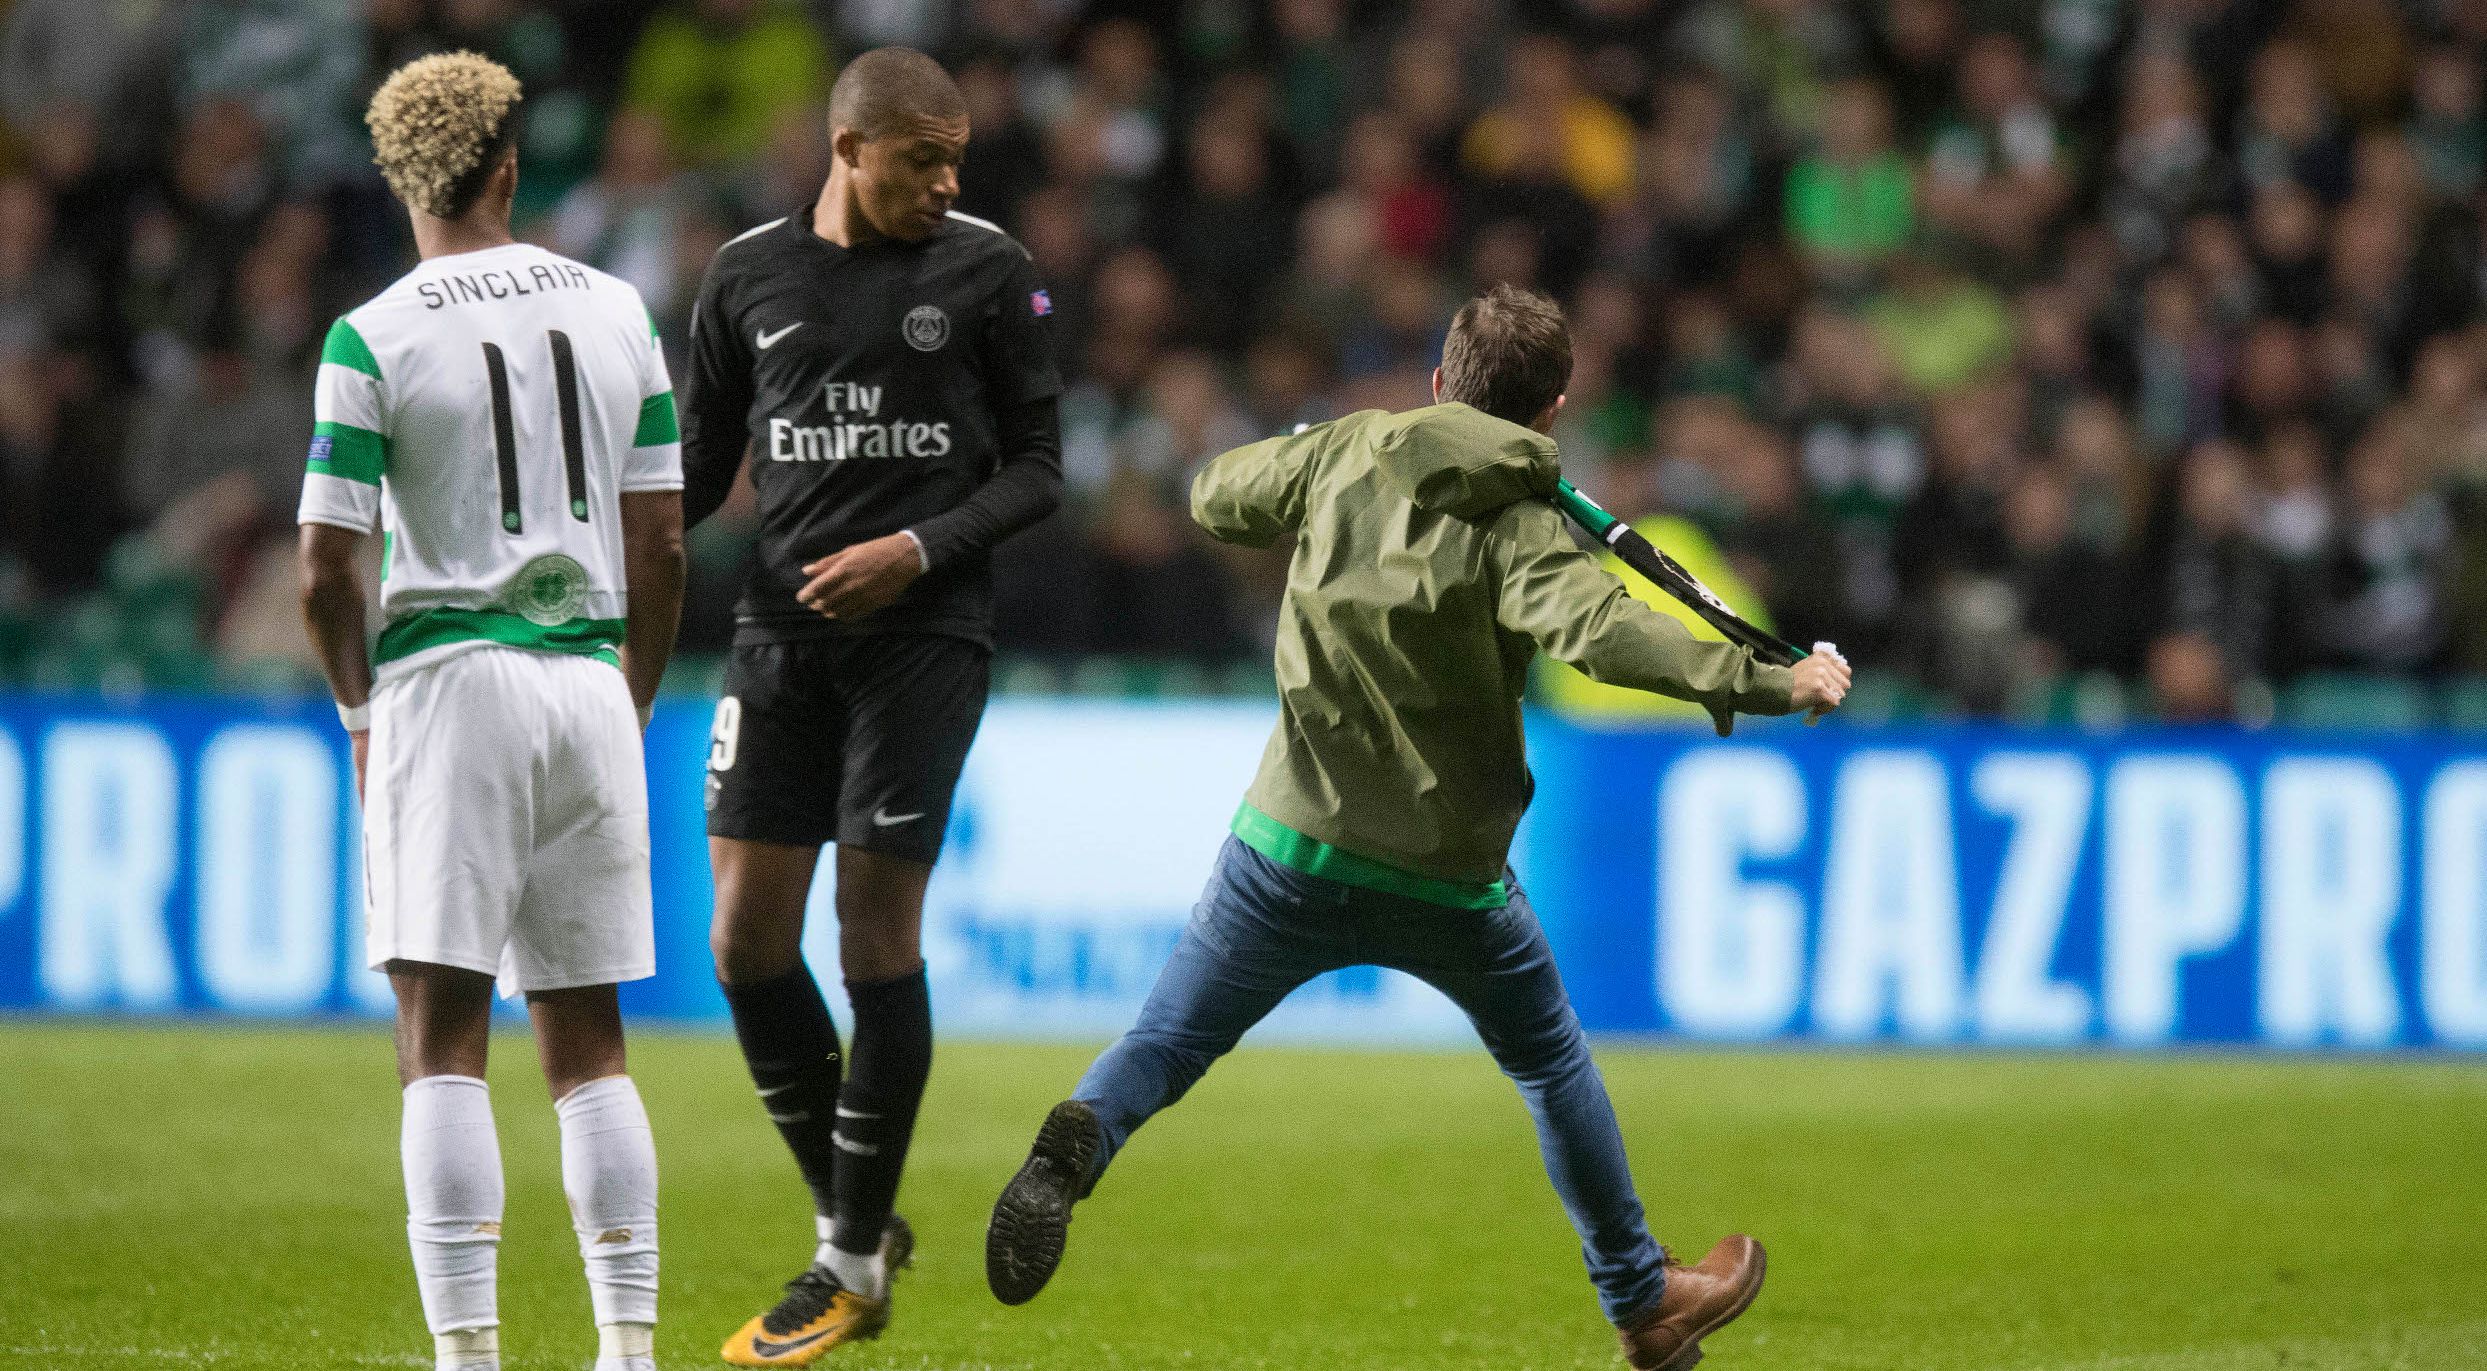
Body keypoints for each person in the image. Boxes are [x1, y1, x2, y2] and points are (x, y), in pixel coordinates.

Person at [983, 285, 1850, 1371]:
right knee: (1551, 1067)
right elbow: (1606, 635)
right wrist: (1773, 682)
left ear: (1441, 381)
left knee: (1167, 1041)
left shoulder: (1346, 451)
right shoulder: (1523, 521)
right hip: (1450, 881)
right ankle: (1643, 1300)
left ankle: (1087, 1137)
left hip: (1286, 847)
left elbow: (1213, 494)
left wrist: (1315, 459)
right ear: (1553, 412)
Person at [295, 53, 686, 1371]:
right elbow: (666, 540)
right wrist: (625, 693)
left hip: (447, 680)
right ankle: (626, 1348)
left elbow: (319, 561)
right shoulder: (618, 309)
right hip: (586, 674)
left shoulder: (372, 334)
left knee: (440, 1035)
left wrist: (359, 714)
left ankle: (471, 1356)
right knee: (589, 1043)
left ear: (399, 176)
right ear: (508, 169)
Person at [676, 46, 1064, 1365]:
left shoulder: (987, 271)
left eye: (958, 160)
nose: (946, 182)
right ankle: (859, 1216)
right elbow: (695, 472)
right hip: (776, 640)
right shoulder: (743, 277)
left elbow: (1038, 469)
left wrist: (915, 548)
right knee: (740, 941)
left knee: (871, 929)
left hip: (923, 638)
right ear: (847, 149)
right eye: (922, 160)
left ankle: (842, 1254)